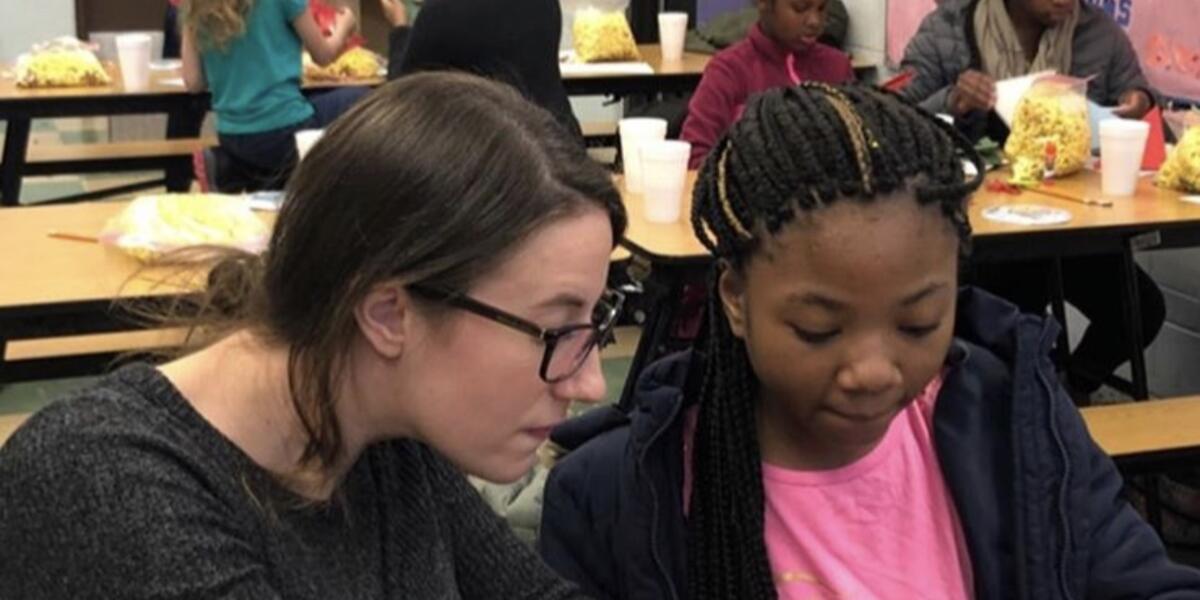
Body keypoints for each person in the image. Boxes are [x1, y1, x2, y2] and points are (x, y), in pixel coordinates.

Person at [538, 83, 1200, 598]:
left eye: (918, 325)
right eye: (819, 330)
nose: (874, 370)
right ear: (735, 299)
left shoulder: (1016, 426)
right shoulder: (622, 497)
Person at [0, 73, 627, 599]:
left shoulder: (378, 428)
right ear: (387, 315)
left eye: (596, 324)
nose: (591, 380)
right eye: (557, 329)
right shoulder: (109, 492)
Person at [900, 0, 1165, 399]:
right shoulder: (948, 30)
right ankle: (1020, 400)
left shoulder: (1098, 33)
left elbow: (1137, 93)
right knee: (1010, 316)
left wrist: (1138, 100)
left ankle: (1065, 390)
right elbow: (895, 118)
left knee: (1141, 310)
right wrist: (952, 100)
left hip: (1072, 227)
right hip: (984, 237)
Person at [180, 0, 369, 188]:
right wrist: (344, 26)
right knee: (363, 99)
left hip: (230, 134)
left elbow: (194, 82)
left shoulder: (196, 5)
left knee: (275, 153)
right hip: (283, 131)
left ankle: (230, 170)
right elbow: (323, 55)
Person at [680, 0, 855, 168]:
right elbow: (693, 154)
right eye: (800, 8)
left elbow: (858, 147)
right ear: (763, 3)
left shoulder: (838, 67)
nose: (814, 21)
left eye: (822, 8)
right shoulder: (729, 70)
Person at [381, 0, 583, 142]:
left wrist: (400, 27)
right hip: (558, 148)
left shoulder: (445, 10)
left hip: (475, 167)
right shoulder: (545, 5)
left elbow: (404, 97)